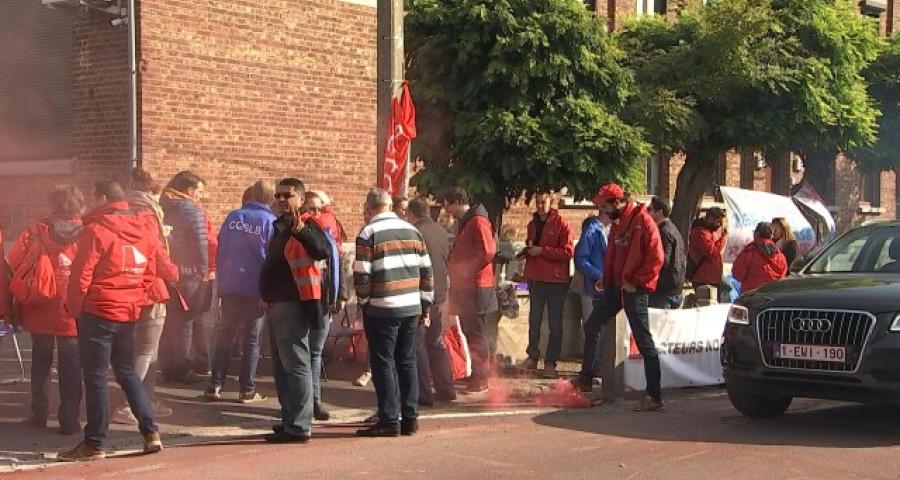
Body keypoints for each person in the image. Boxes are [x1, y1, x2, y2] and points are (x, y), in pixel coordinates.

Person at [59, 180, 162, 461]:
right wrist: (136, 299)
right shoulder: (143, 229)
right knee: (126, 371)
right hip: (128, 312)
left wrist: (74, 309)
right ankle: (151, 431)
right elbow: (151, 271)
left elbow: (81, 275)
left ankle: (94, 443)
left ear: (102, 198)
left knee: (96, 376)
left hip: (98, 311)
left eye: (94, 198)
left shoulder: (96, 230)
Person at [353, 189, 433, 437]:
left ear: (369, 208)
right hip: (411, 306)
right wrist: (425, 304)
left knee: (383, 362)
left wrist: (364, 302)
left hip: (382, 307)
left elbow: (362, 274)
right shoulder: (413, 231)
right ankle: (410, 418)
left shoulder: (368, 233)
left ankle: (389, 420)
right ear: (389, 206)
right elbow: (427, 272)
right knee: (407, 361)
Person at [9, 185, 85, 435]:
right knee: (71, 366)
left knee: (41, 362)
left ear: (52, 204)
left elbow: (12, 262)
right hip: (72, 308)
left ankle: (39, 413)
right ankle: (70, 420)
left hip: (40, 306)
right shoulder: (89, 232)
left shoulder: (35, 231)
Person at [259, 178, 329, 443]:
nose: (280, 199)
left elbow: (322, 250)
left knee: (296, 365)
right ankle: (290, 419)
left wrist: (301, 231)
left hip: (293, 304)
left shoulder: (307, 224)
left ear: (300, 199)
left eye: (286, 195)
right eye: (277, 195)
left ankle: (299, 426)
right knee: (282, 368)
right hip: (277, 303)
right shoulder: (280, 226)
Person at [111, 168, 179, 424]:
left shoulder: (120, 211)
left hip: (128, 286)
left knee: (142, 350)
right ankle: (127, 404)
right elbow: (155, 251)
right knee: (146, 351)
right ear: (150, 191)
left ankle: (145, 400)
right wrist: (173, 272)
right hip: (150, 286)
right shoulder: (148, 214)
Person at [590, 183, 665, 412]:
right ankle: (586, 378)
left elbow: (656, 257)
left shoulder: (643, 221)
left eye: (605, 206)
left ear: (617, 202)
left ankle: (654, 396)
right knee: (592, 324)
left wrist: (637, 282)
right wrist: (606, 277)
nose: (603, 211)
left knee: (644, 341)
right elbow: (613, 255)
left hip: (635, 289)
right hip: (616, 287)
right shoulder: (618, 223)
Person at [206, 180, 276, 404]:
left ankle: (215, 385)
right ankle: (247, 390)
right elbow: (270, 259)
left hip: (231, 285)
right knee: (251, 340)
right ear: (272, 198)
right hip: (255, 288)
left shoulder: (233, 217)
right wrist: (267, 291)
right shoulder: (270, 222)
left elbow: (221, 249)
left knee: (224, 336)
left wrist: (222, 282)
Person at [159, 171, 212, 384]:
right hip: (189, 273)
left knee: (168, 321)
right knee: (185, 321)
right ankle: (181, 368)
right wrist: (202, 271)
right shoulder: (193, 211)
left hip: (166, 271)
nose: (200, 196)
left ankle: (167, 367)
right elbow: (201, 244)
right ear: (190, 190)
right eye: (199, 191)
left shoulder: (161, 206)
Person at [445, 187, 496, 394]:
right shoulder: (469, 221)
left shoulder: (477, 221)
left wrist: (467, 270)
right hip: (468, 286)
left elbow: (488, 251)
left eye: (448, 205)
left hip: (476, 286)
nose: (447, 210)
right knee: (470, 331)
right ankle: (477, 374)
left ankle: (482, 379)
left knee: (476, 333)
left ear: (458, 202)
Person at [304, 190, 348, 421]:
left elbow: (337, 262)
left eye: (319, 209)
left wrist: (341, 294)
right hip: (300, 302)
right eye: (311, 209)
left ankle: (315, 402)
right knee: (300, 356)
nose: (316, 213)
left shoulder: (327, 234)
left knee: (315, 353)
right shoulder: (295, 233)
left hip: (322, 301)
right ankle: (300, 403)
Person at [408, 197, 457, 405]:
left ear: (411, 214)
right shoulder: (441, 231)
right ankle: (446, 389)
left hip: (421, 295)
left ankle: (423, 393)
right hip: (439, 295)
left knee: (417, 344)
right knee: (436, 342)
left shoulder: (415, 232)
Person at [520, 193, 574, 378]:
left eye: (543, 202)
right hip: (536, 278)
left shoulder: (562, 224)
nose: (540, 206)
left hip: (555, 281)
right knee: (534, 320)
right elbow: (532, 245)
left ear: (552, 202)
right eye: (537, 202)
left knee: (555, 323)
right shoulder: (532, 224)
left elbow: (568, 251)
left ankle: (551, 361)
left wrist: (543, 251)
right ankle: (532, 356)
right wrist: (526, 252)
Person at [572, 209, 610, 392]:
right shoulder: (593, 230)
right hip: (593, 288)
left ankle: (600, 368)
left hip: (609, 289)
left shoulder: (614, 230)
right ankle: (589, 372)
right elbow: (581, 258)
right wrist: (598, 275)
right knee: (593, 330)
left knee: (604, 331)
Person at [647, 197, 686, 309]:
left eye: (650, 209)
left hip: (664, 291)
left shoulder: (663, 231)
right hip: (674, 287)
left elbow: (662, 259)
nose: (648, 213)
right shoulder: (673, 228)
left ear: (659, 212)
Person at [732, 222, 788, 293]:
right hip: (773, 295)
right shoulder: (780, 256)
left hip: (751, 295)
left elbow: (737, 275)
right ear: (771, 236)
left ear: (756, 234)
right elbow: (782, 276)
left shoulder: (749, 252)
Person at [688, 207, 728, 300]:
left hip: (714, 277)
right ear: (710, 219)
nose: (720, 225)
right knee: (705, 303)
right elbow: (711, 252)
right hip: (703, 277)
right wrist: (723, 238)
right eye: (718, 222)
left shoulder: (713, 231)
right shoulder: (699, 232)